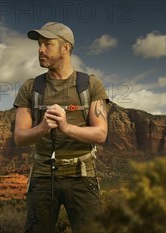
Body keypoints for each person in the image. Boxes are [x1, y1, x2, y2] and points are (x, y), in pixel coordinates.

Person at [13, 22, 109, 233]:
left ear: (66, 48)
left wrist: (65, 127)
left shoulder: (90, 85)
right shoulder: (31, 87)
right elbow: (19, 137)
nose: (40, 49)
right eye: (39, 44)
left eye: (47, 44)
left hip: (82, 176)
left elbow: (101, 134)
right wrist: (42, 128)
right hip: (42, 177)